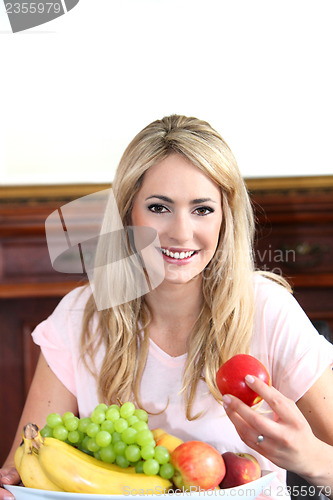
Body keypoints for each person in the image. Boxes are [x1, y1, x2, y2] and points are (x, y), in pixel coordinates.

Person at [1, 114, 333, 500]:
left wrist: (311, 460)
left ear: (226, 218)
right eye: (159, 208)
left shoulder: (269, 310)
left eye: (202, 209)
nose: (180, 232)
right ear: (128, 214)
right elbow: (26, 467)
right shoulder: (79, 317)